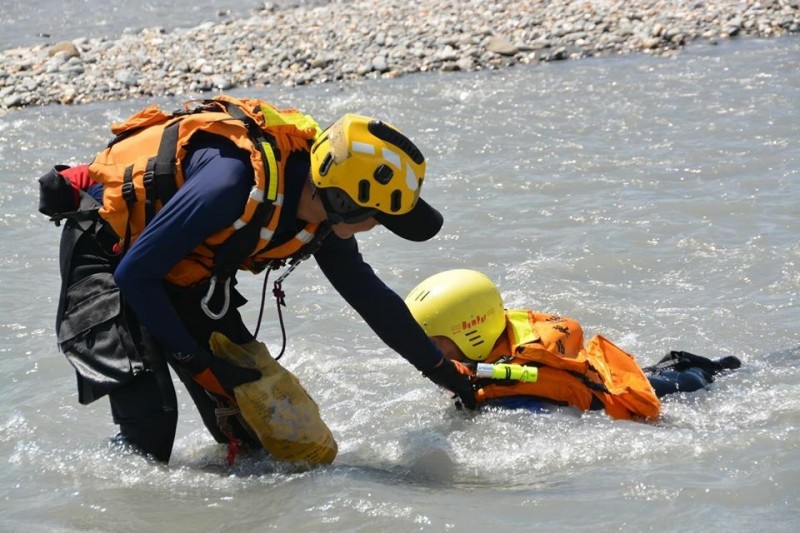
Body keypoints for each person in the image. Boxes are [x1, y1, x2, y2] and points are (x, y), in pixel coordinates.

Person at [37, 95, 476, 463]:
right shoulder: (231, 186)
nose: (377, 228)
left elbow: (369, 297)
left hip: (182, 265)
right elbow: (137, 274)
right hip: (111, 252)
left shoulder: (322, 216)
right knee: (151, 429)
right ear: (344, 202)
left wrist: (441, 372)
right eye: (378, 218)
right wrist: (199, 364)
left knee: (255, 435)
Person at [404, 269, 741, 419]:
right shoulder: (494, 355)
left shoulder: (519, 398)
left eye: (432, 344)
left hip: (670, 390)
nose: (423, 354)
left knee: (714, 375)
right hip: (611, 374)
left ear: (471, 335)